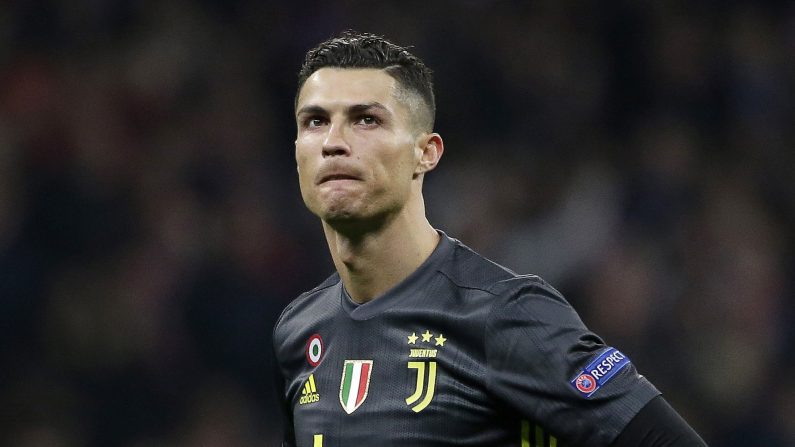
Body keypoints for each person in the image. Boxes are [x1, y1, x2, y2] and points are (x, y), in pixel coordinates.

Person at [272, 31, 707, 447]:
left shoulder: (504, 318)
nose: (333, 142)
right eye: (314, 122)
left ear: (426, 153)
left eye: (366, 120)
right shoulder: (298, 332)